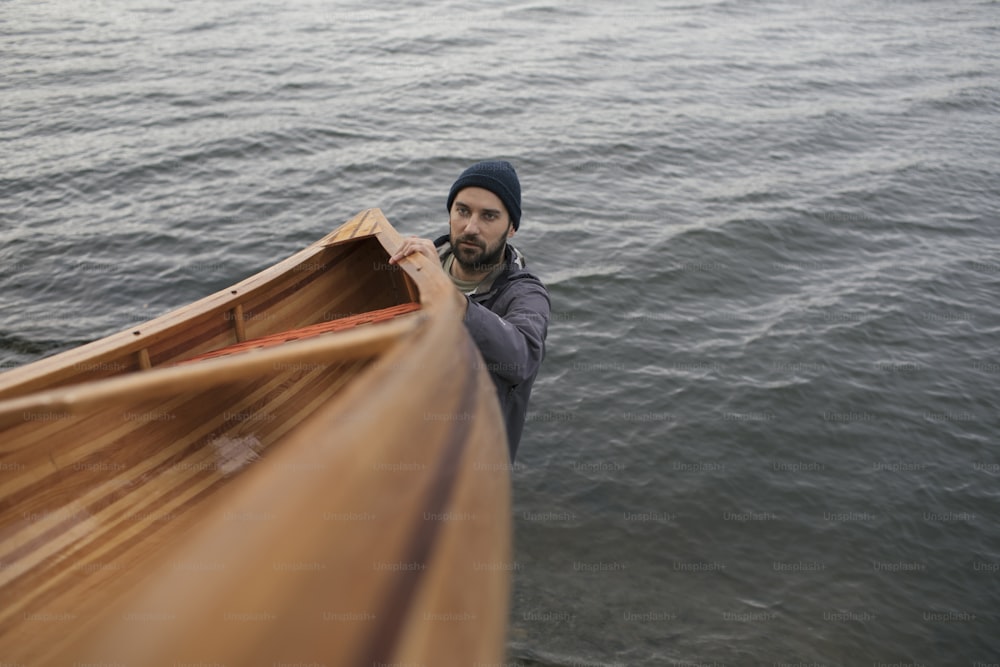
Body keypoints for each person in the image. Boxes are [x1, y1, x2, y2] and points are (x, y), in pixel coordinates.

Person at [389, 160, 550, 462]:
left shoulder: (526, 294)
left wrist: (447, 295)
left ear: (511, 228)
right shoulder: (416, 264)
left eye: (489, 216)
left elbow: (521, 357)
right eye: (462, 211)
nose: (471, 227)